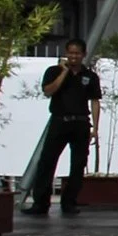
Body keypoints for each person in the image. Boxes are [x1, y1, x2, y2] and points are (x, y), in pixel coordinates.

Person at [25, 38, 101, 217]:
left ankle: (69, 202)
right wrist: (64, 72)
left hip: (81, 122)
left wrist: (95, 129)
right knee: (47, 161)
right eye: (70, 53)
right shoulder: (54, 71)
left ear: (83, 55)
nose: (73, 57)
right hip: (59, 121)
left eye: (77, 53)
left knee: (78, 164)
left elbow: (95, 102)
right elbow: (48, 91)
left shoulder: (89, 76)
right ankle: (40, 203)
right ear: (66, 53)